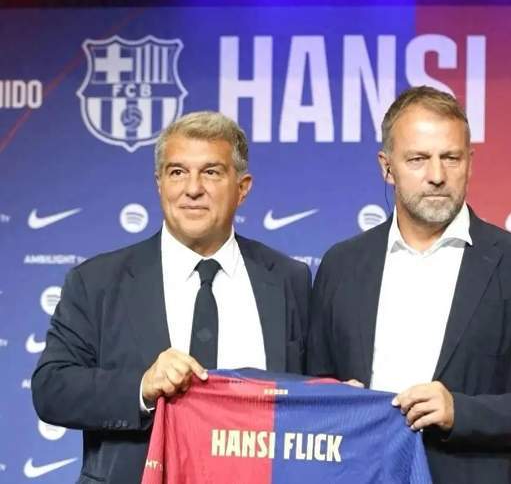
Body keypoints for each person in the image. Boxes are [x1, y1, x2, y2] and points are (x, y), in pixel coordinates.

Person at [306, 86, 511, 483]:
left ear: (470, 162)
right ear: (387, 167)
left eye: (450, 158)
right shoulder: (342, 264)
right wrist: (335, 397)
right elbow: (310, 386)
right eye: (418, 159)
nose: (436, 176)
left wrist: (459, 411)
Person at [32, 111, 311, 483]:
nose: (192, 188)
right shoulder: (97, 281)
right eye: (177, 172)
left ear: (242, 188)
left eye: (211, 172)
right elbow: (52, 388)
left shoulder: (289, 279)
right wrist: (142, 386)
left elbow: (313, 395)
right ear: (159, 183)